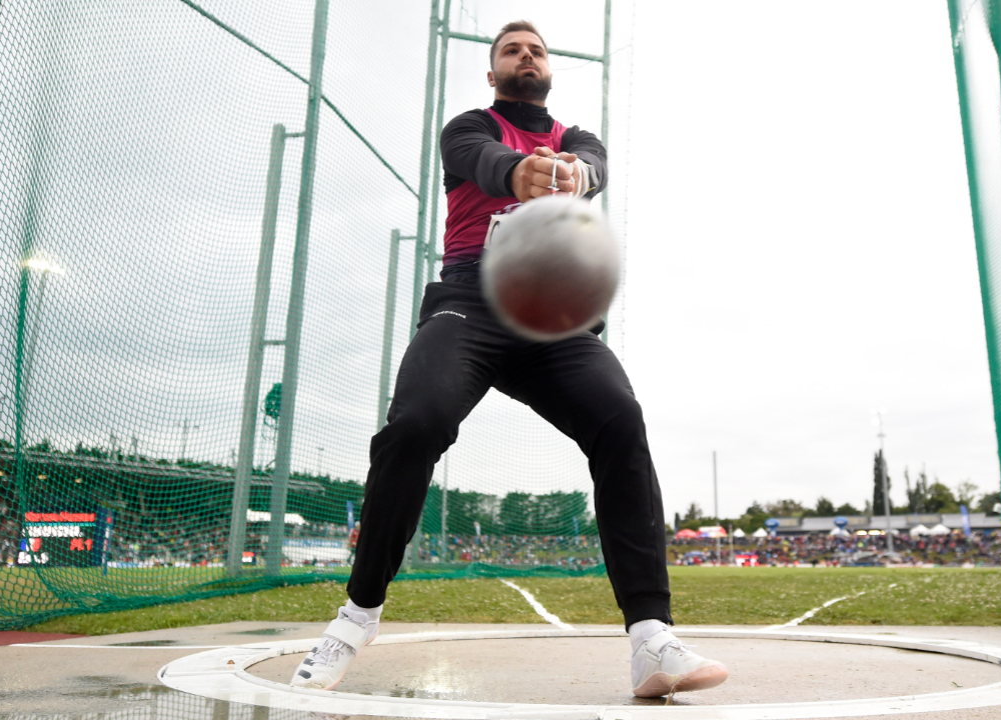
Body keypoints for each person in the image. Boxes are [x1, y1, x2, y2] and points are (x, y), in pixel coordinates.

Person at [290, 20, 727, 699]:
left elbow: (594, 168)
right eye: (511, 50)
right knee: (415, 425)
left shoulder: (577, 141)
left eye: (538, 49)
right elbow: (483, 160)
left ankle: (651, 640)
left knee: (621, 419)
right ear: (493, 73)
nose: (527, 56)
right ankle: (357, 616)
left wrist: (573, 173)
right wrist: (518, 171)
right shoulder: (469, 127)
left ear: (549, 70)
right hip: (471, 301)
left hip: (554, 319)